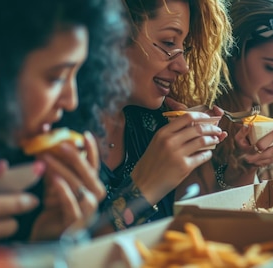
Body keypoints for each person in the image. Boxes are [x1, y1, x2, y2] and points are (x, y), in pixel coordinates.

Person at [0, 0, 126, 264]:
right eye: (56, 77)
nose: (71, 100)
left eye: (77, 74)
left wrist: (45, 244)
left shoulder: (18, 162)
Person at [93, 0, 233, 233]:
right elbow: (68, 253)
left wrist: (201, 162)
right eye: (169, 42)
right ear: (113, 35)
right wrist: (143, 188)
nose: (183, 66)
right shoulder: (59, 133)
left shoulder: (154, 126)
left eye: (184, 47)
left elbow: (196, 230)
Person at [177, 0, 273, 197]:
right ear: (233, 52)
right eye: (272, 67)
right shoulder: (201, 121)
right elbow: (201, 212)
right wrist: (244, 169)